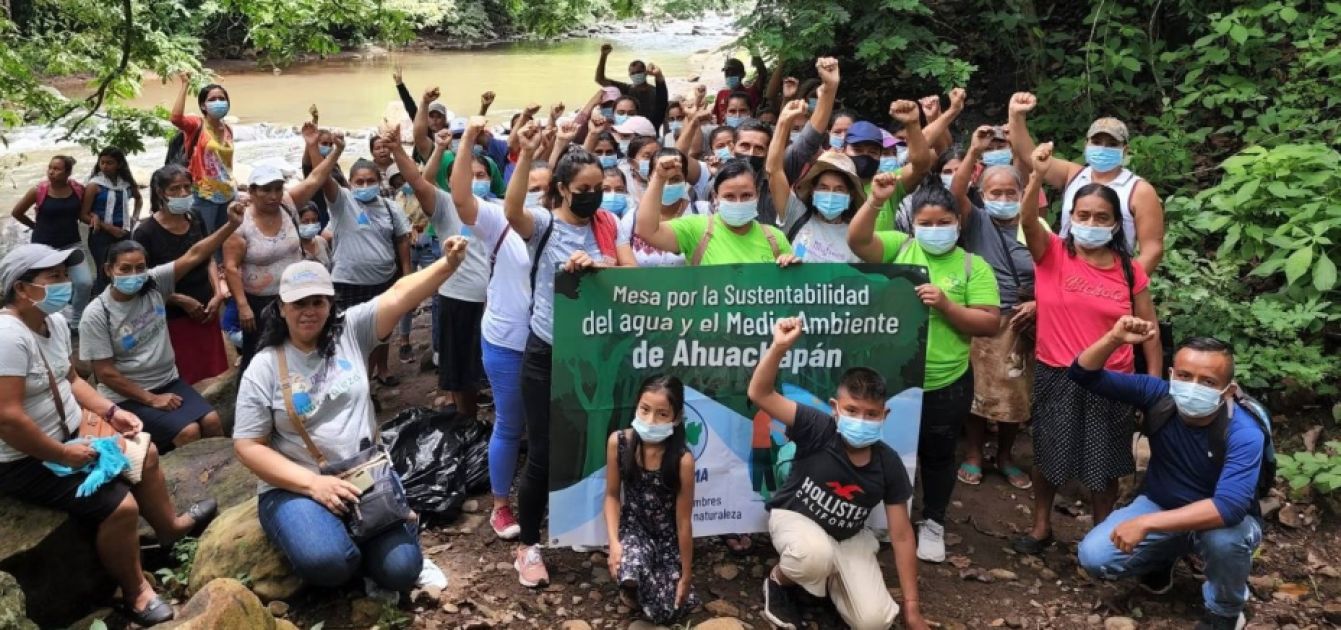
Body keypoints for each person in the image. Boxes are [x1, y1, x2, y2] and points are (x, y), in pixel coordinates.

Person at [233, 237, 468, 593]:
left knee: (403, 570)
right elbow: (248, 445)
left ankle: (370, 547)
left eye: (317, 302)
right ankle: (347, 546)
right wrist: (313, 485)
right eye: (298, 303)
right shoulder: (264, 367)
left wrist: (447, 264)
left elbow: (400, 293)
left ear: (330, 304)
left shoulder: (351, 331)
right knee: (327, 563)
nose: (308, 311)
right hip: (296, 485)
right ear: (281, 308)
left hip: (362, 474)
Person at [0, 243, 216, 627]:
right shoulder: (8, 337)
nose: (65, 284)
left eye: (65, 276)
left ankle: (170, 529)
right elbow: (8, 418)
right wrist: (64, 455)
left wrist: (111, 412)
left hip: (70, 435)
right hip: (26, 457)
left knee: (145, 454)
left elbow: (70, 379)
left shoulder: (53, 323)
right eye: (54, 278)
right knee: (121, 508)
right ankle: (136, 592)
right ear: (22, 288)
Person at [1012, 143, 1162, 555]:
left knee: (1106, 462)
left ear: (1116, 225)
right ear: (1071, 218)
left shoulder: (1129, 271)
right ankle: (1041, 527)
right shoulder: (1053, 253)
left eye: (1102, 217)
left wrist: (1154, 387)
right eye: (1083, 215)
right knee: (1048, 452)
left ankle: (1100, 534)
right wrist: (1037, 176)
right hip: (1057, 370)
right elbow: (1027, 221)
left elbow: (1149, 330)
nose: (1091, 222)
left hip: (1112, 380)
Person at [1071, 318, 1264, 630]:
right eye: (1185, 376)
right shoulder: (1159, 395)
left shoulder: (1243, 432)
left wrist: (1145, 523)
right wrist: (1114, 338)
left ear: (1228, 390)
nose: (1193, 387)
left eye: (1208, 382)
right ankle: (1163, 560)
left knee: (1226, 541)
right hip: (1162, 503)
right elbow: (1083, 374)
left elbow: (1229, 508)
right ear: (1172, 375)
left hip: (1219, 520)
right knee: (1094, 556)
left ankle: (1225, 613)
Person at [849, 173, 1001, 563]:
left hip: (945, 381)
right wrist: (875, 201)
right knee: (884, 449)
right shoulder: (900, 249)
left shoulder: (973, 266)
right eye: (926, 223)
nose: (935, 230)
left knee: (937, 454)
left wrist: (948, 306)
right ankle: (880, 519)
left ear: (958, 222)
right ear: (912, 224)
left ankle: (933, 522)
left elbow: (989, 322)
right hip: (893, 378)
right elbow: (858, 242)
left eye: (943, 222)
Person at [748, 317, 928, 630]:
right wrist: (778, 347)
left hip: (847, 537)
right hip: (795, 518)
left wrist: (912, 608)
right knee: (812, 555)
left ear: (884, 415)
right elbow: (760, 394)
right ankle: (778, 582)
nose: (861, 419)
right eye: (852, 410)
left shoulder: (888, 464)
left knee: (875, 621)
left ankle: (829, 584)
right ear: (836, 407)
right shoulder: (818, 427)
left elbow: (900, 534)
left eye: (871, 414)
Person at [505, 123, 623, 587]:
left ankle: (588, 526)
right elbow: (512, 209)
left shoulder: (608, 224)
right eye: (584, 190)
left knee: (597, 441)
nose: (593, 196)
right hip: (548, 352)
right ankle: (528, 544)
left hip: (598, 355)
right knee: (543, 451)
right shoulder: (545, 226)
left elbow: (632, 274)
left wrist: (602, 264)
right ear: (561, 190)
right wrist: (528, 153)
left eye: (598, 188)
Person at [450, 125, 545, 542]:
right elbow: (460, 198)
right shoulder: (498, 221)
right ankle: (501, 505)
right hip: (507, 341)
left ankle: (554, 497)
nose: (535, 195)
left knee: (553, 424)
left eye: (544, 188)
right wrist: (468, 139)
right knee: (511, 422)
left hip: (555, 343)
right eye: (530, 187)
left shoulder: (560, 227)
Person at [81, 203, 240, 452]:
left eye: (140, 267)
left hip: (168, 381)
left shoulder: (154, 283)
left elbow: (195, 254)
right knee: (188, 432)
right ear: (109, 270)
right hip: (127, 395)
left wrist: (231, 225)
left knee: (211, 421)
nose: (134, 274)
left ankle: (218, 477)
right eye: (125, 269)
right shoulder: (97, 313)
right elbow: (105, 373)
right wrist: (152, 400)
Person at [947, 128, 1038, 490]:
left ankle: (1004, 454)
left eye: (1009, 192)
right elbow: (954, 193)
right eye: (994, 192)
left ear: (1022, 194)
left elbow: (1055, 271)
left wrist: (1037, 302)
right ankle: (973, 452)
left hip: (1021, 322)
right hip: (982, 317)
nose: (1003, 198)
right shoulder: (978, 221)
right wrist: (972, 152)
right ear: (982, 196)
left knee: (1015, 395)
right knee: (977, 391)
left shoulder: (1035, 227)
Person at [222, 124, 343, 373]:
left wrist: (335, 152)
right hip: (259, 302)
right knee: (258, 355)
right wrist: (243, 306)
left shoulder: (288, 204)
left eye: (277, 188)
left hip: (294, 293)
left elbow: (315, 178)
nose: (273, 195)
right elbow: (231, 267)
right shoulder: (240, 222)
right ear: (252, 191)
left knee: (296, 347)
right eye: (266, 190)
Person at [1007, 92, 1165, 272]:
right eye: (1097, 142)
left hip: (1111, 274)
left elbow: (1152, 249)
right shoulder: (1073, 174)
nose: (1103, 148)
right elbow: (1030, 156)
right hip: (1066, 270)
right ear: (1086, 145)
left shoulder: (1138, 190)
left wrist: (1127, 285)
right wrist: (1016, 115)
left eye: (1111, 144)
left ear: (1124, 149)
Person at [312, 128, 413, 387]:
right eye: (360, 181)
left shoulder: (390, 207)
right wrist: (335, 151)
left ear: (379, 182)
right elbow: (321, 178)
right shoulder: (342, 202)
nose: (365, 186)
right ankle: (359, 380)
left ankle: (382, 368)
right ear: (351, 182)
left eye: (370, 181)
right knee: (350, 333)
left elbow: (402, 240)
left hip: (384, 280)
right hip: (349, 282)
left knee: (383, 329)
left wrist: (407, 272)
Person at [602, 375, 698, 625]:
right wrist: (614, 544)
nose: (650, 420)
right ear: (636, 406)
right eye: (644, 410)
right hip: (634, 531)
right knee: (629, 566)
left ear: (676, 418)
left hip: (667, 540)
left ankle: (651, 584)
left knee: (668, 610)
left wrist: (686, 575)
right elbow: (612, 496)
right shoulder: (619, 443)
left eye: (662, 414)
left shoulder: (682, 459)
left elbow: (684, 522)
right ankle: (633, 585)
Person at [131, 165, 230, 385]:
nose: (183, 194)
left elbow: (208, 258)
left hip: (207, 306)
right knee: (184, 372)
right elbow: (143, 280)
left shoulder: (194, 218)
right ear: (160, 192)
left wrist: (217, 294)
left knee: (212, 371)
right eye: (175, 189)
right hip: (172, 314)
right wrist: (179, 300)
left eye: (187, 187)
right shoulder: (145, 232)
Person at [635, 157, 796, 267]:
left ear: (758, 195)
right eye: (729, 196)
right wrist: (658, 178)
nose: (738, 202)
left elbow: (788, 294)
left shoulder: (775, 238)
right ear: (715, 197)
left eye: (746, 195)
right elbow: (647, 231)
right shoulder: (697, 228)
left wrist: (789, 264)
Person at [766, 101, 865, 263]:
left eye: (839, 189)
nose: (831, 194)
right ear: (812, 190)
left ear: (851, 195)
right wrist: (783, 122)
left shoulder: (858, 237)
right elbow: (774, 170)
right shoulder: (796, 215)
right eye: (824, 188)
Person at [10, 156, 94, 329]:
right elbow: (17, 212)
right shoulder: (38, 190)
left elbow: (85, 211)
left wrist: (95, 217)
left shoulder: (78, 189)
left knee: (85, 282)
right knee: (46, 289)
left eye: (57, 169)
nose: (51, 172)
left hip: (72, 244)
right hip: (43, 249)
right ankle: (48, 321)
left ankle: (76, 322)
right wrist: (34, 226)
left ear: (68, 172)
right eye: (50, 168)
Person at [617, 150, 708, 267]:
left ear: (685, 180)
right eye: (661, 178)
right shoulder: (633, 217)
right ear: (650, 179)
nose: (668, 184)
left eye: (675, 179)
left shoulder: (702, 212)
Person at [170, 74, 235, 234]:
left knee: (225, 239)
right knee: (203, 237)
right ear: (203, 105)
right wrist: (185, 84)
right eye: (212, 99)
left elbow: (225, 163)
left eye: (221, 98)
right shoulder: (197, 124)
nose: (218, 102)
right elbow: (176, 118)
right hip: (203, 194)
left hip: (227, 192)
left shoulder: (228, 129)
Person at [81, 146, 143, 296]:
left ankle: (124, 299)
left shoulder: (126, 183)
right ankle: (103, 305)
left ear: (119, 164)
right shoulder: (94, 185)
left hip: (123, 232)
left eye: (110, 163)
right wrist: (107, 227)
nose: (105, 166)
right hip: (100, 235)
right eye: (102, 162)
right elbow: (83, 214)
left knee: (124, 269)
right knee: (105, 272)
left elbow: (139, 199)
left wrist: (135, 218)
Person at [596, 45, 669, 130]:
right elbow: (600, 79)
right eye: (633, 73)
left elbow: (662, 108)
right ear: (629, 75)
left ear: (645, 72)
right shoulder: (626, 89)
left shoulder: (655, 92)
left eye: (638, 72)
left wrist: (658, 75)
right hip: (629, 129)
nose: (636, 75)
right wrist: (603, 56)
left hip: (649, 129)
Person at [714, 57, 769, 124]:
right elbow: (715, 117)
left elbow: (762, 75)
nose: (730, 75)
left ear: (743, 74)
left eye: (733, 72)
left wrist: (757, 57)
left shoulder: (751, 92)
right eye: (727, 73)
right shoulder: (721, 94)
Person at [296, 204, 333, 269]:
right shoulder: (293, 248)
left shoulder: (322, 241)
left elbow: (331, 265)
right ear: (297, 222)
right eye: (306, 221)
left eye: (314, 220)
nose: (311, 224)